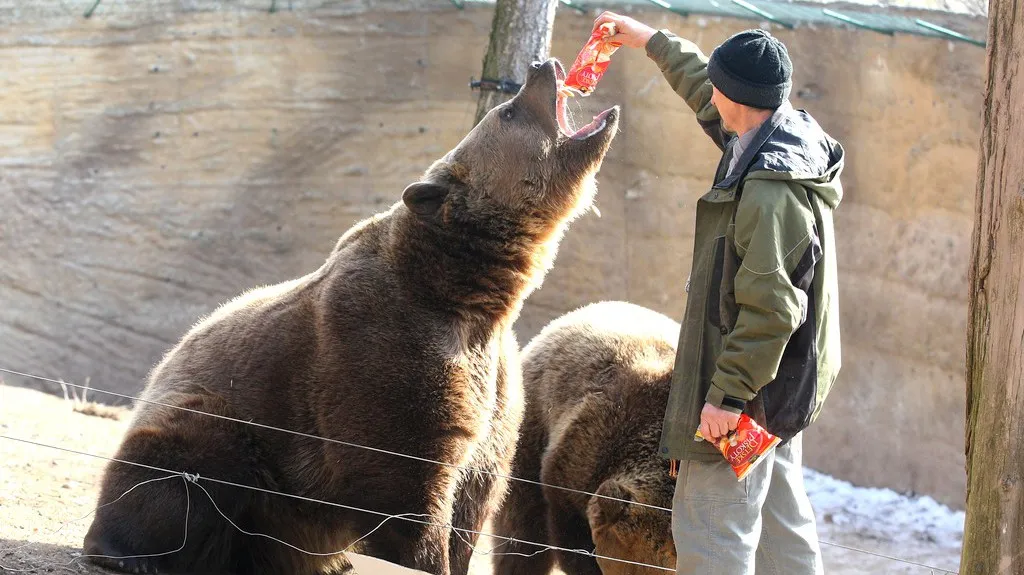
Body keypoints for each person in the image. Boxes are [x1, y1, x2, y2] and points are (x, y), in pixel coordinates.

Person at [592, 11, 846, 575]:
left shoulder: (767, 193)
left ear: (737, 96)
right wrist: (649, 41)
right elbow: (707, 90)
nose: (709, 92)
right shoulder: (779, 136)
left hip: (747, 394)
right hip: (781, 388)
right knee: (782, 532)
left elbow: (773, 309)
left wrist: (724, 399)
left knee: (711, 533)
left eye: (718, 85)